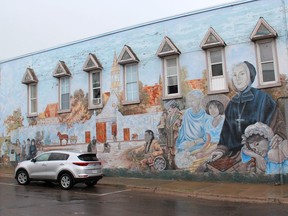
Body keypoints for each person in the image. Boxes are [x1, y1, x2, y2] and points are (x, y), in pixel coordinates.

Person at [209, 61, 286, 163]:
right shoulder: (232, 104)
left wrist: (280, 135)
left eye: (242, 73)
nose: (237, 78)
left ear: (250, 75)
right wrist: (221, 150)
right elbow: (226, 132)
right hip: (236, 153)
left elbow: (278, 123)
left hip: (260, 152)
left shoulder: (263, 99)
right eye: (235, 75)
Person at [175, 90, 209, 169]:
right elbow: (182, 132)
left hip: (199, 143)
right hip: (186, 143)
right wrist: (178, 145)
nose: (190, 103)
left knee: (194, 157)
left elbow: (207, 136)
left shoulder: (205, 115)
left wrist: (194, 142)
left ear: (199, 100)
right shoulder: (187, 113)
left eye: (192, 100)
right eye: (189, 101)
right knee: (181, 154)